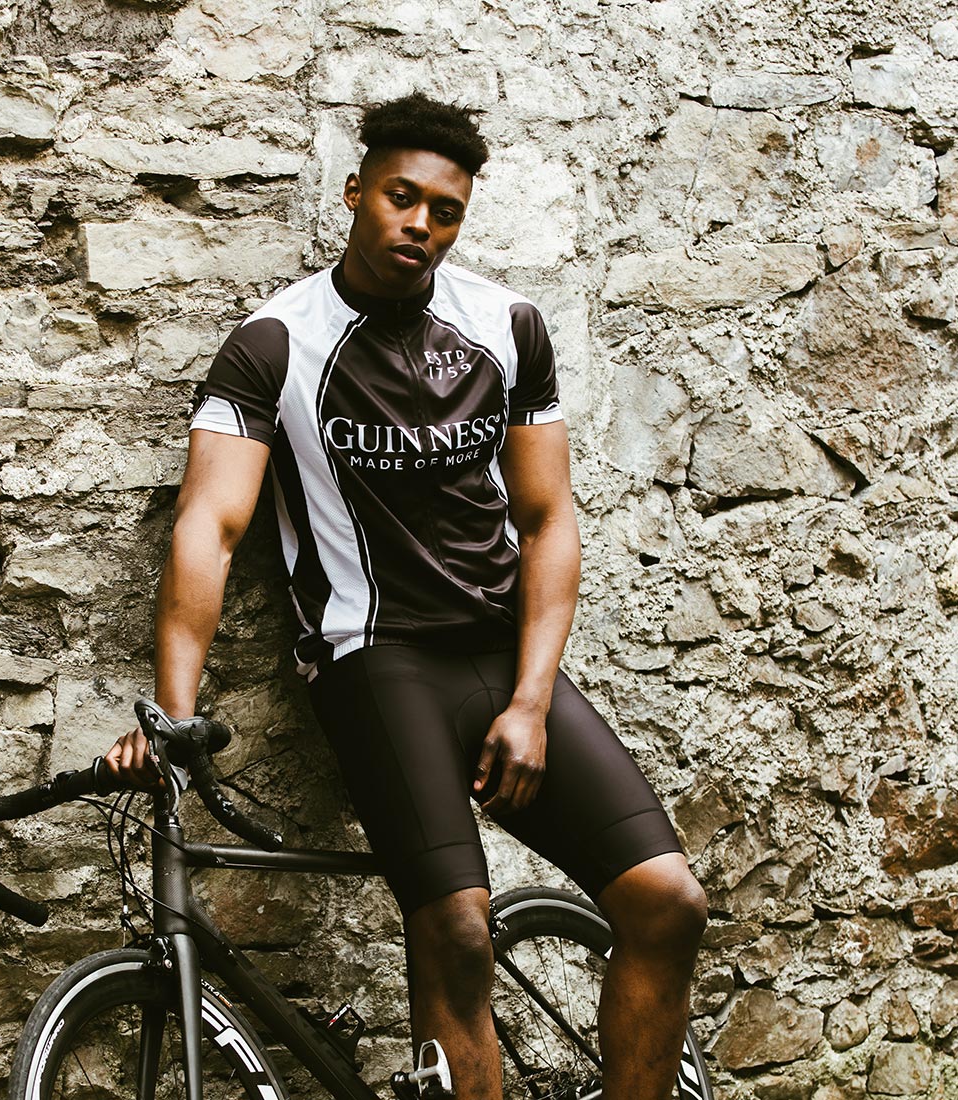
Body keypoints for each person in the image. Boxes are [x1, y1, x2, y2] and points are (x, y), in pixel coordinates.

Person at [106, 92, 707, 1100]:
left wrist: (529, 698)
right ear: (356, 194)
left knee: (667, 902)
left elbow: (547, 517)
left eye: (443, 208)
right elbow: (207, 528)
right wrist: (171, 714)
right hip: (370, 657)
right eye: (400, 196)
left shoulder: (505, 325)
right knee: (456, 927)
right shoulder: (275, 341)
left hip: (499, 658)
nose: (419, 222)